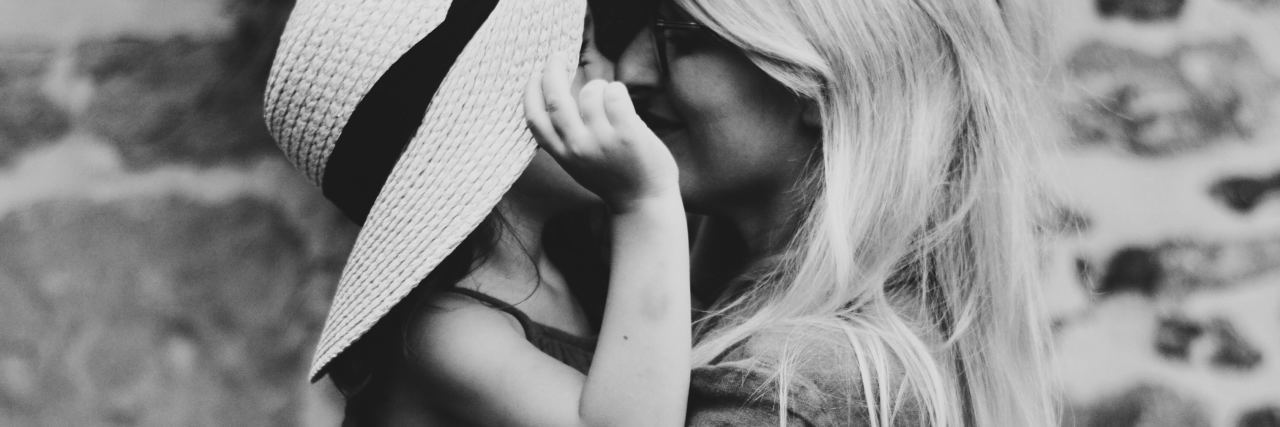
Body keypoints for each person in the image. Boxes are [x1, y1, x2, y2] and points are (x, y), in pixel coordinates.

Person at [537, 0, 1061, 424]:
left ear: (819, 83)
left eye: (681, 37)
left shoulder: (783, 390)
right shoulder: (908, 324)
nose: (630, 69)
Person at [264, 1, 690, 426]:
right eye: (581, 56)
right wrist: (645, 204)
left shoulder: (570, 256)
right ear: (485, 134)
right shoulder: (446, 332)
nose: (617, 77)